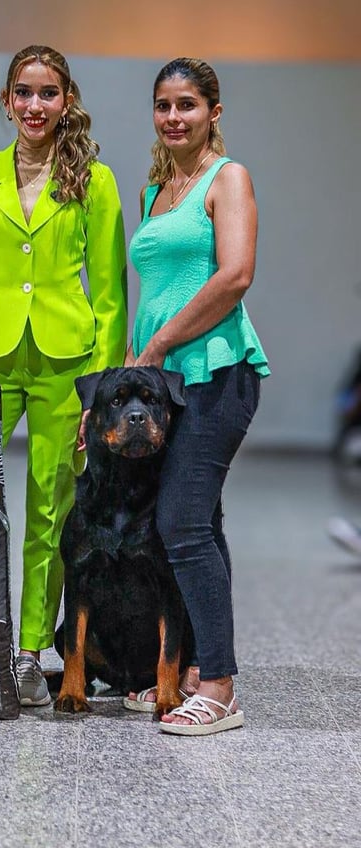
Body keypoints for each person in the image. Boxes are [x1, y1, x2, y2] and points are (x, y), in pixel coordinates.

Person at [0, 45, 128, 706]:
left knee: (51, 508)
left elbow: (109, 294)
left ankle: (27, 652)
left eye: (48, 93)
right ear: (7, 100)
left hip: (65, 366)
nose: (35, 106)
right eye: (24, 92)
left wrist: (99, 396)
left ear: (66, 99)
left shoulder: (94, 182)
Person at [124, 57, 270, 734]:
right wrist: (138, 363)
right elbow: (153, 291)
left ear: (214, 111)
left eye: (187, 104)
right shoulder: (157, 189)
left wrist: (158, 349)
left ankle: (219, 687)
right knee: (197, 523)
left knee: (180, 523)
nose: (174, 117)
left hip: (216, 372)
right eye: (163, 105)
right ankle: (186, 672)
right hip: (164, 385)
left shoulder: (226, 178)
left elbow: (235, 275)